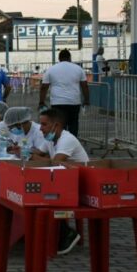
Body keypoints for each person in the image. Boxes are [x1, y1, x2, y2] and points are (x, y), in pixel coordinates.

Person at [32, 107, 89, 254]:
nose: (41, 129)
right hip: (64, 180)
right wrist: (23, 151)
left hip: (82, 182)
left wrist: (31, 156)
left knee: (43, 197)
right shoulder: (50, 139)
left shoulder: (67, 139)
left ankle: (66, 234)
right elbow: (39, 154)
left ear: (55, 126)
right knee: (34, 193)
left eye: (44, 125)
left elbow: (54, 163)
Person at [39, 49, 89, 136]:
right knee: (73, 124)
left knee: (59, 125)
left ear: (59, 58)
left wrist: (41, 102)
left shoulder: (51, 69)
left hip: (57, 103)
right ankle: (72, 144)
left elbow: (44, 87)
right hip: (74, 102)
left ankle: (60, 144)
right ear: (70, 58)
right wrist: (86, 99)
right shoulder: (78, 69)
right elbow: (84, 86)